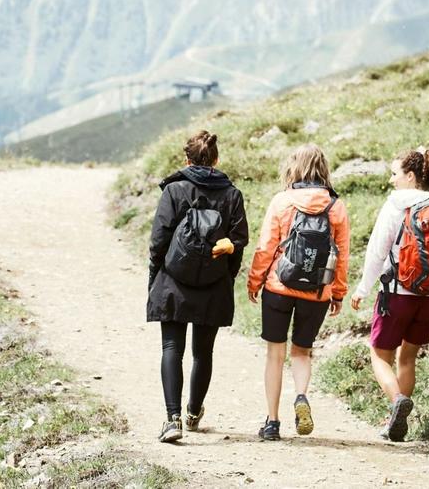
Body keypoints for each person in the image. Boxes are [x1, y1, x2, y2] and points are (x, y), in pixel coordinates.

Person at [350, 147, 429, 442]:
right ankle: (395, 423)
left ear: (411, 176)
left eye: (395, 173)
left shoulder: (396, 205)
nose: (392, 179)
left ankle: (397, 400)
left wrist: (362, 288)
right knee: (408, 357)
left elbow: (376, 251)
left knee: (379, 354)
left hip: (397, 293)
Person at [148, 130, 249, 443]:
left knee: (171, 348)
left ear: (186, 159)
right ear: (216, 160)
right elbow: (239, 240)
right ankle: (193, 412)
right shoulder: (232, 194)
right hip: (214, 284)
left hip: (173, 281)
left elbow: (158, 240)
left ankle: (172, 419)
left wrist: (155, 276)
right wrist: (226, 276)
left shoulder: (174, 190)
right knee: (203, 353)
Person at [247, 144, 350, 441]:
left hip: (279, 287)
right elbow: (341, 256)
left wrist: (255, 281)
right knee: (302, 353)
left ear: (294, 168)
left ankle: (272, 421)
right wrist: (338, 292)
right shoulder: (336, 206)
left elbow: (266, 247)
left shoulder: (282, 201)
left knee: (275, 355)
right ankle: (301, 396)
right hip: (317, 291)